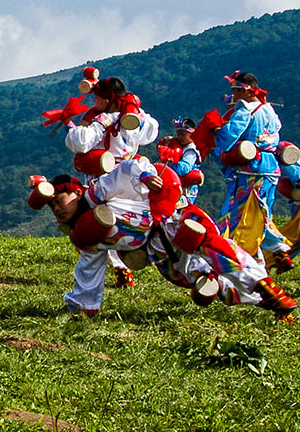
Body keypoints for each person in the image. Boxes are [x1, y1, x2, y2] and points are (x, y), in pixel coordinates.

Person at [35, 157, 297, 321]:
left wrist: (146, 176)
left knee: (212, 247)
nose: (57, 209)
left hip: (170, 220)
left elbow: (128, 167)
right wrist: (84, 306)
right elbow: (88, 270)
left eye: (59, 201)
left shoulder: (98, 192)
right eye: (52, 207)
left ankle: (267, 288)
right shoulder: (86, 235)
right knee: (203, 283)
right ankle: (264, 303)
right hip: (159, 253)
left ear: (76, 192)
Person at [62, 74, 159, 290]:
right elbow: (149, 134)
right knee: (126, 217)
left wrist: (69, 126)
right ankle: (132, 258)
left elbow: (81, 142)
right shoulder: (138, 116)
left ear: (107, 99)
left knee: (99, 222)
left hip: (107, 178)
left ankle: (115, 272)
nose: (94, 103)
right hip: (131, 175)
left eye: (97, 99)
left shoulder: (105, 119)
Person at [214, 71, 295, 274]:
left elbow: (231, 135)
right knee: (262, 211)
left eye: (237, 91)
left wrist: (215, 133)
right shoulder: (269, 110)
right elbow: (276, 131)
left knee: (244, 216)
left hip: (251, 169)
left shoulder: (245, 110)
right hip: (272, 168)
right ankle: (279, 252)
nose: (235, 96)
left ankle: (249, 263)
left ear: (247, 91)